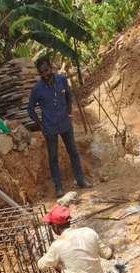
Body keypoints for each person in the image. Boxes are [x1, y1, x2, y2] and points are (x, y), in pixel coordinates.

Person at [28, 55, 91, 198]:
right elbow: (30, 110)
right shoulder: (37, 89)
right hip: (49, 128)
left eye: (46, 70)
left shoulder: (62, 80)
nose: (45, 74)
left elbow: (69, 97)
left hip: (65, 123)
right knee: (53, 157)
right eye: (41, 72)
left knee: (73, 152)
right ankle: (59, 188)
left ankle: (80, 180)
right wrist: (41, 126)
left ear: (50, 67)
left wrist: (69, 115)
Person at [32, 205, 112, 273]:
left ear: (55, 227)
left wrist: (49, 256)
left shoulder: (58, 245)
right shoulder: (89, 231)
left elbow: (41, 266)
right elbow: (108, 255)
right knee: (63, 262)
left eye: (51, 225)